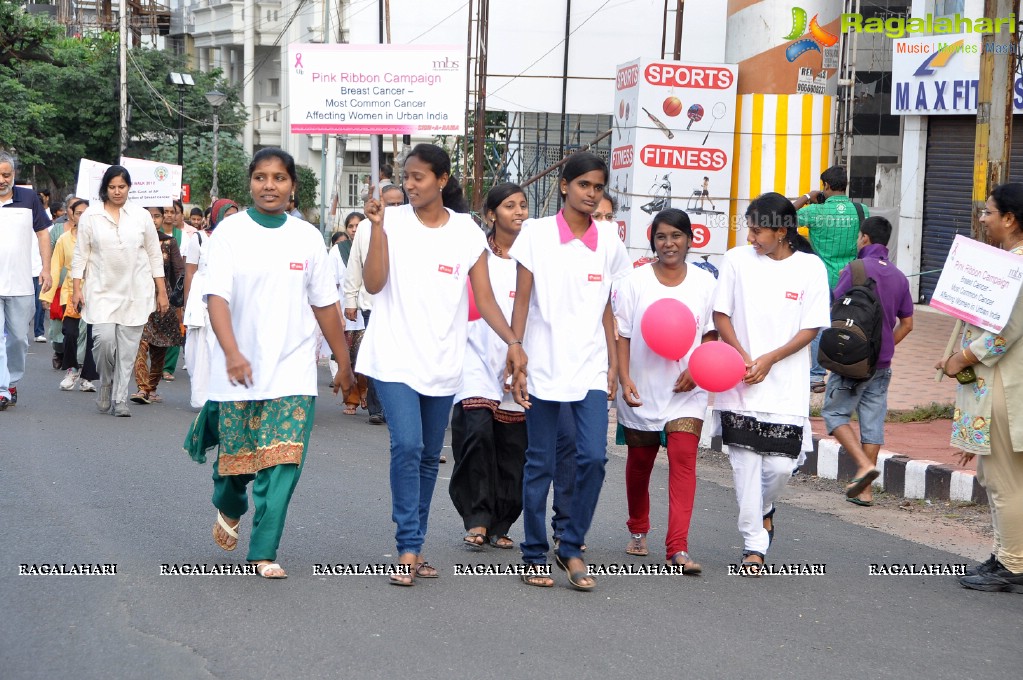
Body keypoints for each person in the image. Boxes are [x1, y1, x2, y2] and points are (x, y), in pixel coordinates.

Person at [358, 143, 525, 586]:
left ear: (442, 180)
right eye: (405, 177)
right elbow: (374, 285)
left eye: (418, 177)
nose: (409, 184)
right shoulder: (388, 221)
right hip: (393, 357)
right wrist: (376, 229)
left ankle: (416, 543)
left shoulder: (467, 232)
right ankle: (408, 546)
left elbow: (484, 298)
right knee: (408, 446)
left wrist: (513, 340)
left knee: (431, 456)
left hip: (442, 361)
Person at [202, 147, 355, 579]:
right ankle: (230, 504)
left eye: (279, 178)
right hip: (238, 371)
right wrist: (232, 353)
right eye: (261, 177)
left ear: (292, 186)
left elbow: (325, 304)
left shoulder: (306, 237)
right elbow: (217, 298)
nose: (270, 185)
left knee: (282, 462)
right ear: (250, 182)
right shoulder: (229, 233)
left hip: (292, 369)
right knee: (236, 464)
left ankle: (263, 551)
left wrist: (343, 365)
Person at [510, 152, 632, 590]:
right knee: (540, 463)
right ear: (565, 186)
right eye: (584, 185)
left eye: (598, 187)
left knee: (594, 459)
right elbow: (521, 300)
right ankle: (533, 553)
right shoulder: (536, 234)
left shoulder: (609, 242)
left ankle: (572, 545)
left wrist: (615, 366)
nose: (591, 194)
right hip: (542, 365)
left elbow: (607, 310)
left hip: (588, 368)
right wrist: (516, 351)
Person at [713, 192, 830, 576]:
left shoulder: (810, 268)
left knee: (780, 467)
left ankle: (765, 509)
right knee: (745, 466)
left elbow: (811, 327)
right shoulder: (735, 260)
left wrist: (770, 359)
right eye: (749, 228)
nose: (751, 236)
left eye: (758, 229)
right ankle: (754, 545)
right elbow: (721, 314)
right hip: (740, 381)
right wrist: (745, 357)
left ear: (782, 231)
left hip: (785, 385)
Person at [615, 209, 717, 573]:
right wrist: (624, 379)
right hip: (642, 386)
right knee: (640, 463)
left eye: (676, 235)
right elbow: (622, 336)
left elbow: (710, 334)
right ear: (652, 241)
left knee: (684, 460)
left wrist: (697, 367)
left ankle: (678, 548)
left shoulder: (706, 284)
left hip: (687, 389)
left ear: (690, 239)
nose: (669, 243)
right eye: (661, 237)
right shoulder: (634, 281)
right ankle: (638, 527)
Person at [938, 183, 1023, 593]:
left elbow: (1004, 333)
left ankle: (1012, 565)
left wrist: (961, 358)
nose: (983, 218)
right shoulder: (1008, 262)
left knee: (1003, 480)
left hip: (1008, 387)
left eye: (988, 212)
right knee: (1002, 478)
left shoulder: (1018, 268)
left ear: (1010, 219)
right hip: (1002, 384)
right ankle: (1007, 553)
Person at [449, 183, 528, 551]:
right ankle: (477, 517)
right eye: (509, 205)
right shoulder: (475, 253)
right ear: (491, 215)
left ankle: (502, 522)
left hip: (522, 359)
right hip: (475, 355)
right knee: (476, 432)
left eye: (523, 205)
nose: (519, 212)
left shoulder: (537, 258)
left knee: (513, 447)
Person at [821, 216, 914, 506]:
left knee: (834, 414)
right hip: (881, 364)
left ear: (864, 238)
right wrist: (882, 349)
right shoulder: (899, 276)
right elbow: (907, 324)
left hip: (852, 361)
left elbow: (835, 306)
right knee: (872, 423)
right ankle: (865, 490)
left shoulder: (856, 269)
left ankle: (864, 465)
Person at [70, 165, 168, 417]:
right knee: (103, 341)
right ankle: (105, 382)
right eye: (112, 187)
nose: (117, 191)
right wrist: (76, 288)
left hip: (136, 290)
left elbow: (154, 254)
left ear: (129, 188)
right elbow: (81, 254)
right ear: (105, 188)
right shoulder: (91, 216)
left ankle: (120, 398)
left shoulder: (141, 216)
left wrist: (161, 291)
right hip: (100, 290)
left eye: (121, 187)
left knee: (127, 350)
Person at [793, 166, 867, 392]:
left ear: (825, 186)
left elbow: (783, 216)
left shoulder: (815, 212)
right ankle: (846, 371)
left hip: (822, 275)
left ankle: (816, 376)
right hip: (852, 275)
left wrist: (807, 197)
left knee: (820, 324)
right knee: (848, 323)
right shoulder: (861, 209)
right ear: (845, 185)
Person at [343, 185, 405, 425]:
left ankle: (394, 408)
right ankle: (378, 409)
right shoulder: (366, 228)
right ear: (379, 204)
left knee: (398, 358)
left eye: (401, 203)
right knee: (379, 356)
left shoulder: (412, 228)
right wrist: (350, 300)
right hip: (372, 304)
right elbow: (355, 264)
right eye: (391, 204)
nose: (397, 208)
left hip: (402, 305)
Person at [0, 151, 53, 410]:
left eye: (6, 175)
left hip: (21, 283)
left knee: (19, 338)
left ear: (13, 175)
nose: (1, 180)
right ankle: (2, 389)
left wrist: (47, 268)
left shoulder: (29, 199)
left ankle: (11, 381)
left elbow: (43, 233)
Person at [183, 198, 239, 409]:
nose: (232, 221)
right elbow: (190, 272)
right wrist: (188, 305)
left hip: (228, 298)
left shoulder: (241, 241)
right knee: (199, 349)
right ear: (217, 215)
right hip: (201, 298)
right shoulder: (199, 238)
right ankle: (202, 397)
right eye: (227, 216)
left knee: (221, 347)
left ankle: (221, 396)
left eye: (235, 216)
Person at [41, 198, 98, 392]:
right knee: (70, 332)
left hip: (94, 291)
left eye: (86, 213)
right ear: (71, 215)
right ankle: (72, 369)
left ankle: (87, 377)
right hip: (70, 292)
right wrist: (47, 297)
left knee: (91, 335)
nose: (83, 216)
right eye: (79, 213)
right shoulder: (65, 239)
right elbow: (56, 267)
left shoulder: (98, 239)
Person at [130, 207, 185, 405]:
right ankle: (142, 388)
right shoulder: (134, 241)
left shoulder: (169, 242)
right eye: (149, 216)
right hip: (138, 299)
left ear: (162, 219)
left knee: (159, 347)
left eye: (157, 216)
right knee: (141, 343)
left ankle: (151, 387)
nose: (153, 220)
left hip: (163, 301)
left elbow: (179, 273)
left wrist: (180, 304)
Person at [326, 227, 367, 415]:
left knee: (365, 360)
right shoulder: (338, 251)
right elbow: (330, 285)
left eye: (358, 225)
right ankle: (351, 401)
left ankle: (366, 396)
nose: (354, 229)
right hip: (346, 315)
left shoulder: (371, 245)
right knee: (348, 361)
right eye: (351, 226)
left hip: (368, 313)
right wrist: (337, 316)